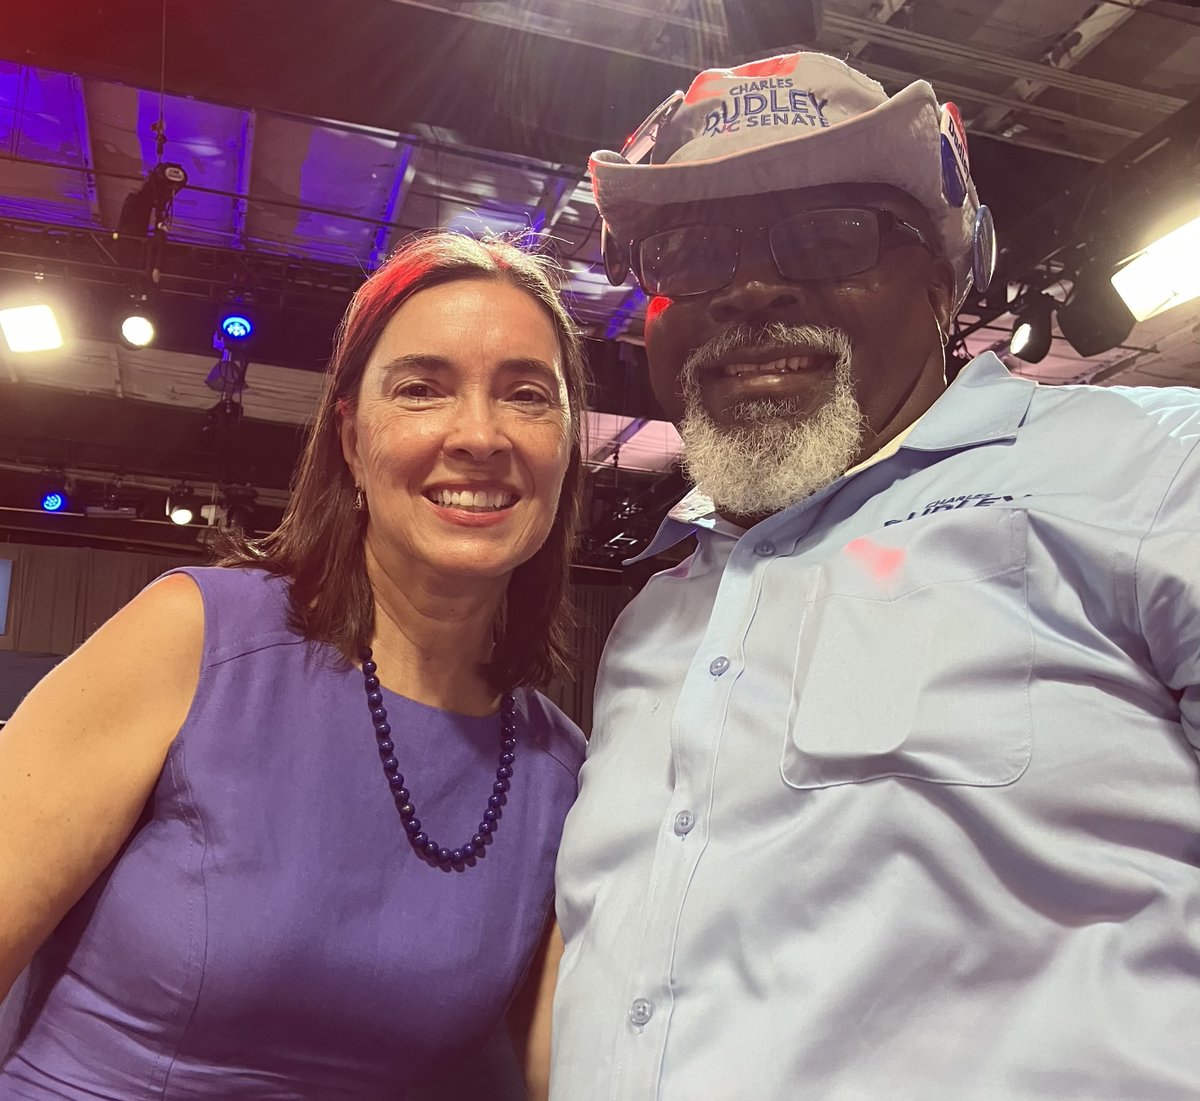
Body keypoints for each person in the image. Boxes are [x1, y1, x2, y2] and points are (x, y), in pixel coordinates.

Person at [550, 50, 1200, 1099]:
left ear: (943, 281)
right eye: (692, 249)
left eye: (828, 232)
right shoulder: (656, 618)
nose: (755, 286)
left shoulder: (1155, 470)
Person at [0, 231, 588, 1099]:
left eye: (527, 395)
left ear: (569, 446)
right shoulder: (194, 637)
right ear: (352, 440)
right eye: (422, 389)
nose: (480, 434)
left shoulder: (558, 770)